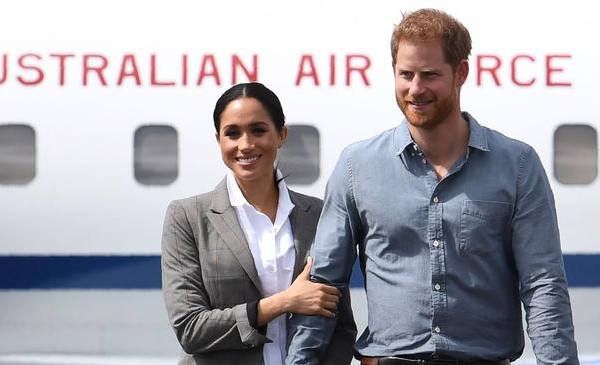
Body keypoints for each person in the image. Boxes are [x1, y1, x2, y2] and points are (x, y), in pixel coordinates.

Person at [286, 8, 579, 365]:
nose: (415, 89)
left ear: (461, 72)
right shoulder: (356, 166)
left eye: (429, 75)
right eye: (405, 74)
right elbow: (324, 285)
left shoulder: (517, 165)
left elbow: (543, 284)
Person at [161, 82, 356, 365]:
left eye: (258, 130)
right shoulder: (187, 217)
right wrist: (284, 302)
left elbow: (341, 326)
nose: (246, 145)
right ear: (219, 141)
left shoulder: (318, 214)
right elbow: (190, 329)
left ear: (281, 135)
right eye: (232, 133)